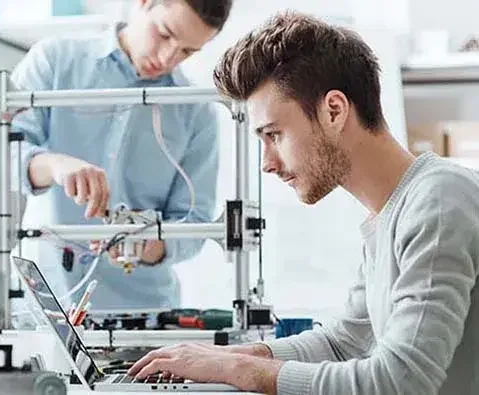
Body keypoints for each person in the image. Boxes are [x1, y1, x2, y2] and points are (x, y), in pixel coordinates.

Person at [127, 11, 479, 395]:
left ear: (334, 111)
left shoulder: (439, 199)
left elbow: (401, 381)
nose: (267, 163)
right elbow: (343, 342)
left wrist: (242, 370)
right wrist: (230, 357)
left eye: (274, 134)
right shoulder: (390, 212)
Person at [0, 0, 232, 311]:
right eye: (165, 34)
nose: (168, 58)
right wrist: (55, 164)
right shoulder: (55, 61)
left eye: (187, 51)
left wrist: (145, 246)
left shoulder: (196, 111)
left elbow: (195, 222)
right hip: (42, 303)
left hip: (142, 316)